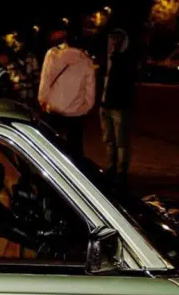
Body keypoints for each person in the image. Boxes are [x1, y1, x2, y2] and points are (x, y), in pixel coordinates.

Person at [37, 28, 96, 158]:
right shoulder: (86, 61)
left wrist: (42, 99)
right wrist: (85, 107)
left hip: (54, 109)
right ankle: (74, 167)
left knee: (51, 144)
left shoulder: (52, 55)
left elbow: (46, 80)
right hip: (76, 111)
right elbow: (90, 88)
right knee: (75, 146)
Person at [99, 27, 137, 184]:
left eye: (117, 39)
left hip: (119, 105)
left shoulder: (125, 59)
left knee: (121, 141)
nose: (113, 42)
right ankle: (111, 167)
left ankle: (121, 171)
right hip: (105, 103)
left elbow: (126, 82)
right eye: (112, 38)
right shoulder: (107, 57)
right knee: (109, 139)